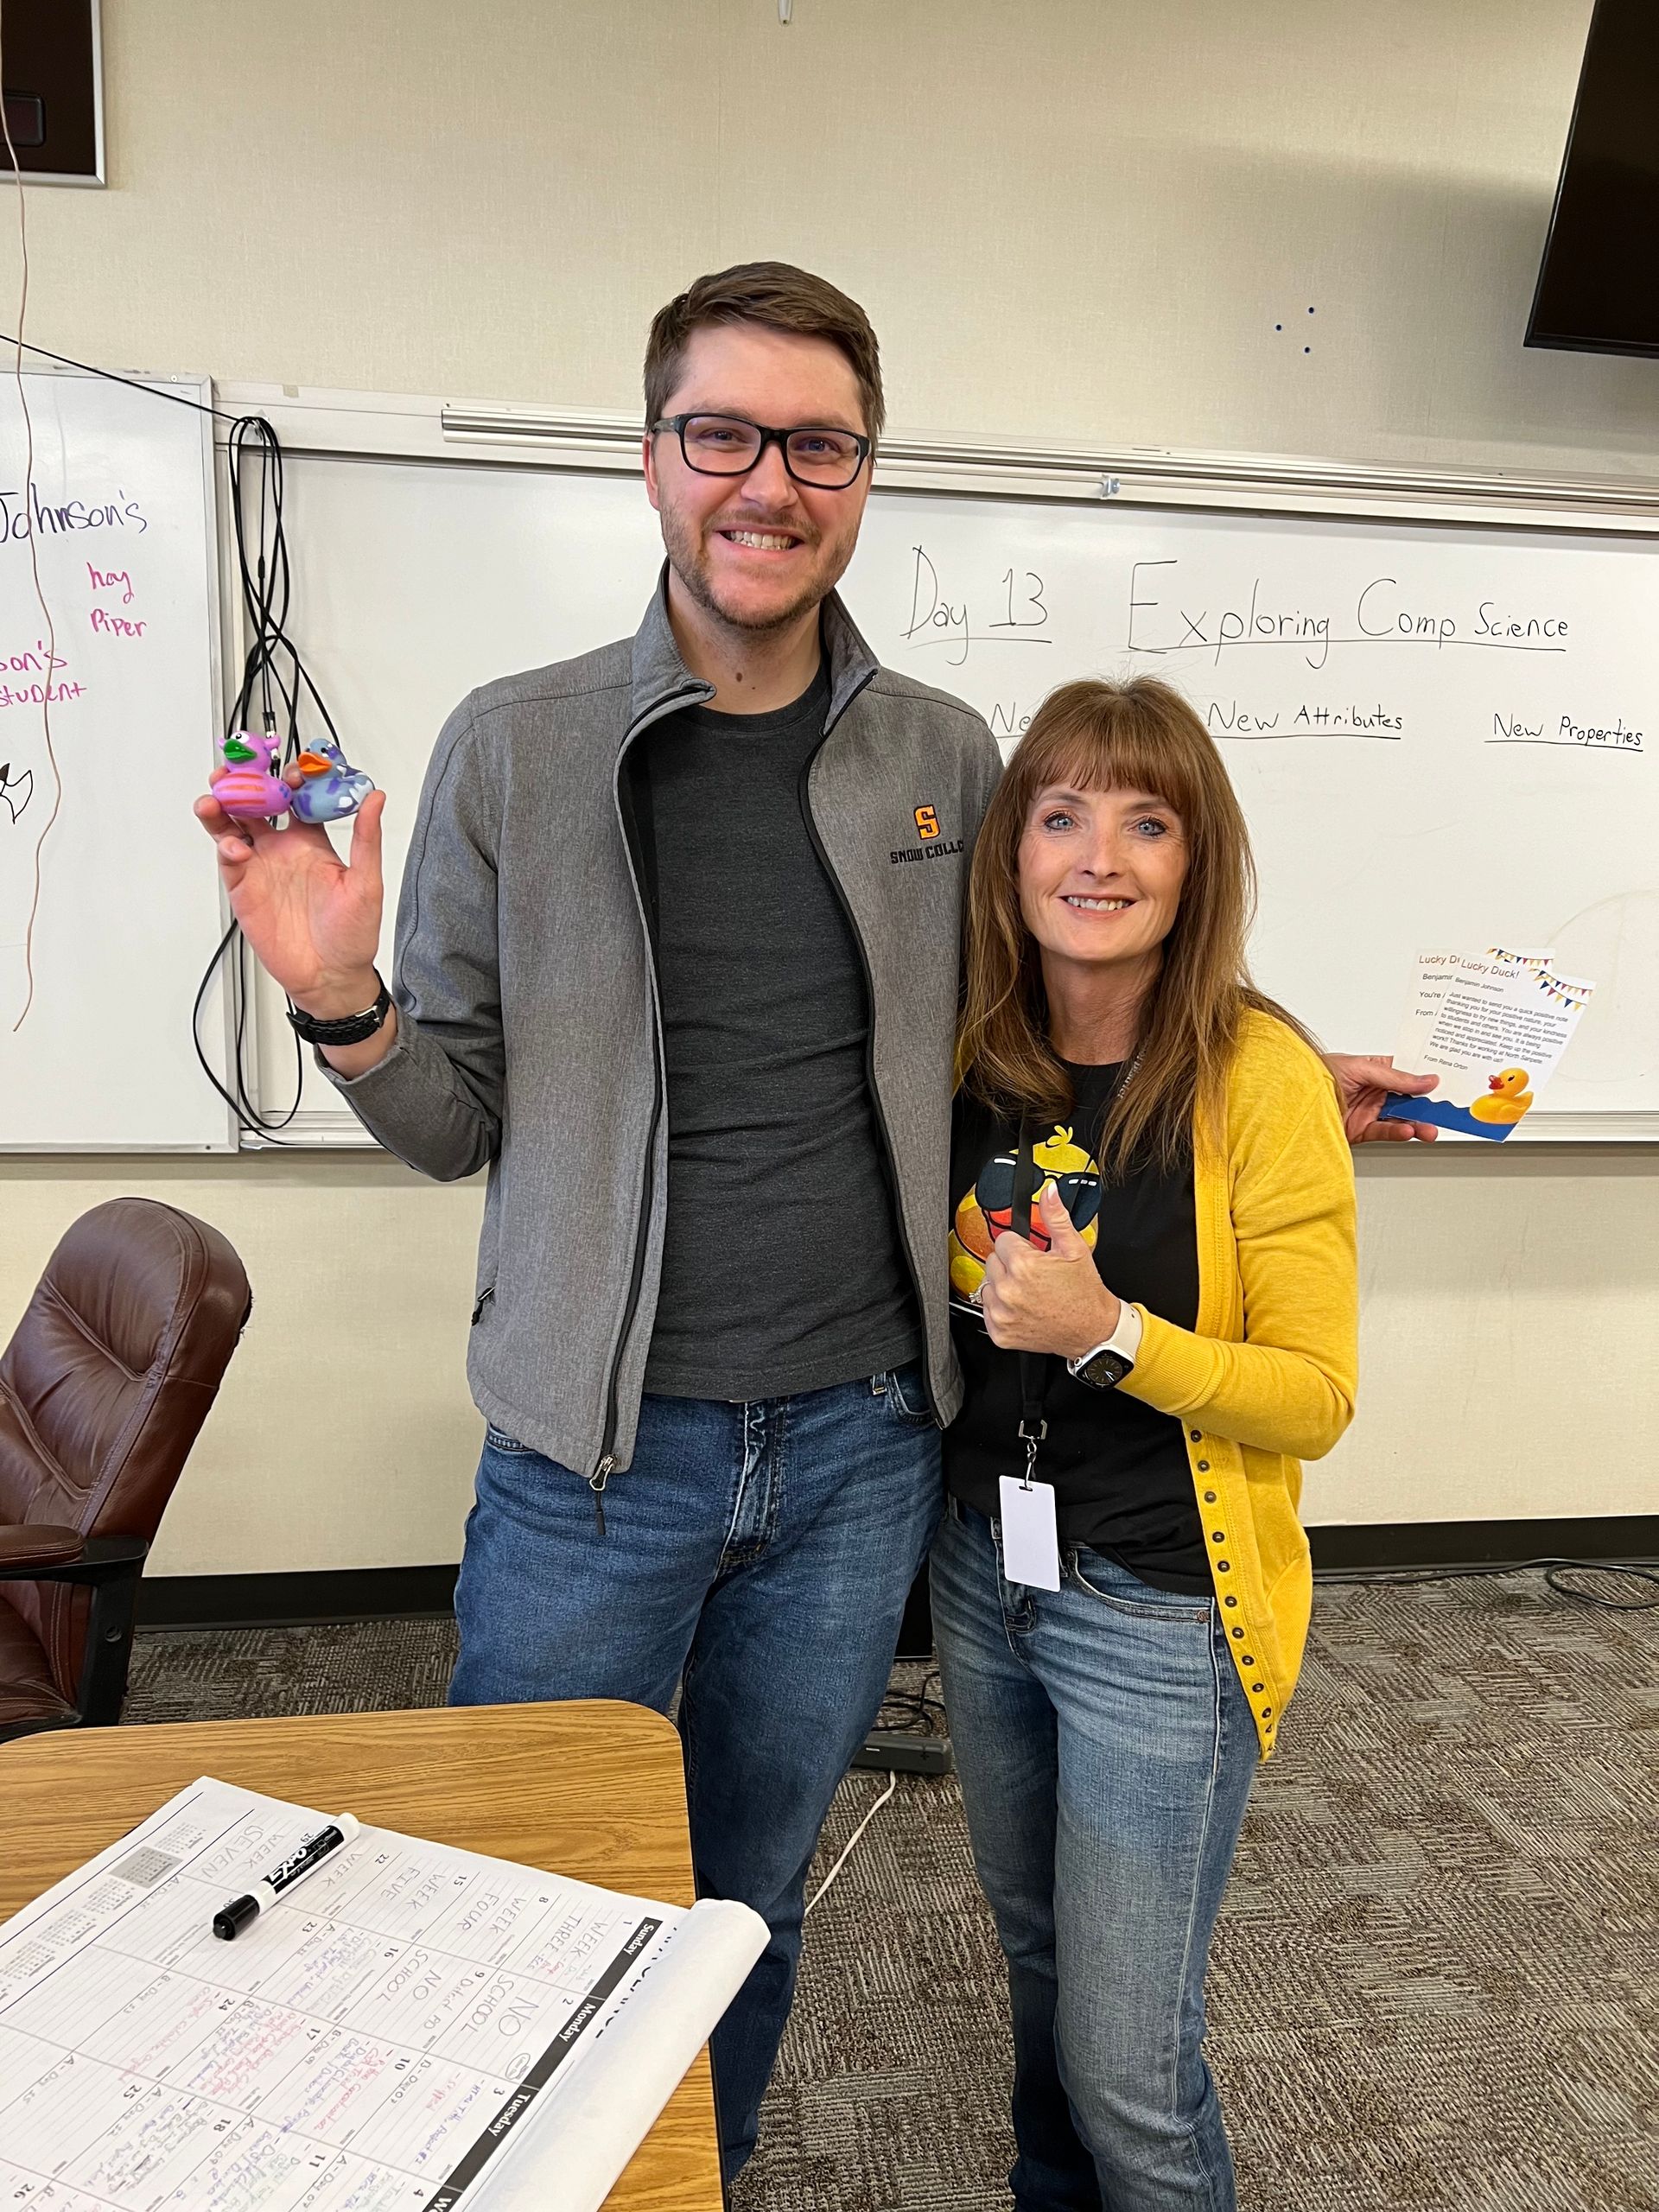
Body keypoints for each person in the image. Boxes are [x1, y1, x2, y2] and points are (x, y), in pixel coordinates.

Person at [194, 262, 1433, 2177]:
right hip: (592, 1460)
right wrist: (344, 999)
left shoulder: (943, 756)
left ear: (861, 476)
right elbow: (450, 1128)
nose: (768, 481)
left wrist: (1267, 1056)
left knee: (743, 1905)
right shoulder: (512, 749)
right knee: (518, 1898)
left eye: (819, 443)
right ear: (652, 458)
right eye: (724, 434)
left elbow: (1055, 988)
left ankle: (710, 2170)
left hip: (865, 1453)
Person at [933, 676, 1358, 2212]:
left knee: (1130, 2065)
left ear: (1197, 861)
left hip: (1167, 1617)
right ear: (1013, 851)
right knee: (1036, 1960)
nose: (1097, 857)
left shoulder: (1259, 1078)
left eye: (1146, 820)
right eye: (1060, 815)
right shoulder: (971, 1047)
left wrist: (1109, 1333)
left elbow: (1314, 1394)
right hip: (988, 1574)